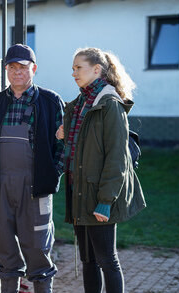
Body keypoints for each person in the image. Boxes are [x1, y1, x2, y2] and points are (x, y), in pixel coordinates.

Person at [0, 44, 65, 293]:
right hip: (1, 187)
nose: (17, 72)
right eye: (11, 67)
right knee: (5, 247)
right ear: (6, 71)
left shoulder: (49, 102)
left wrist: (51, 173)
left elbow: (65, 145)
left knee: (37, 247)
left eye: (22, 67)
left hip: (36, 189)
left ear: (33, 69)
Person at [56, 47, 146, 293]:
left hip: (99, 196)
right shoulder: (79, 104)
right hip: (79, 191)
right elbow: (84, 147)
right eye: (73, 68)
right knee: (88, 261)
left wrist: (105, 201)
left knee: (107, 261)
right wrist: (64, 135)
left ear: (97, 70)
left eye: (78, 68)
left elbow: (116, 157)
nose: (73, 72)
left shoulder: (110, 104)